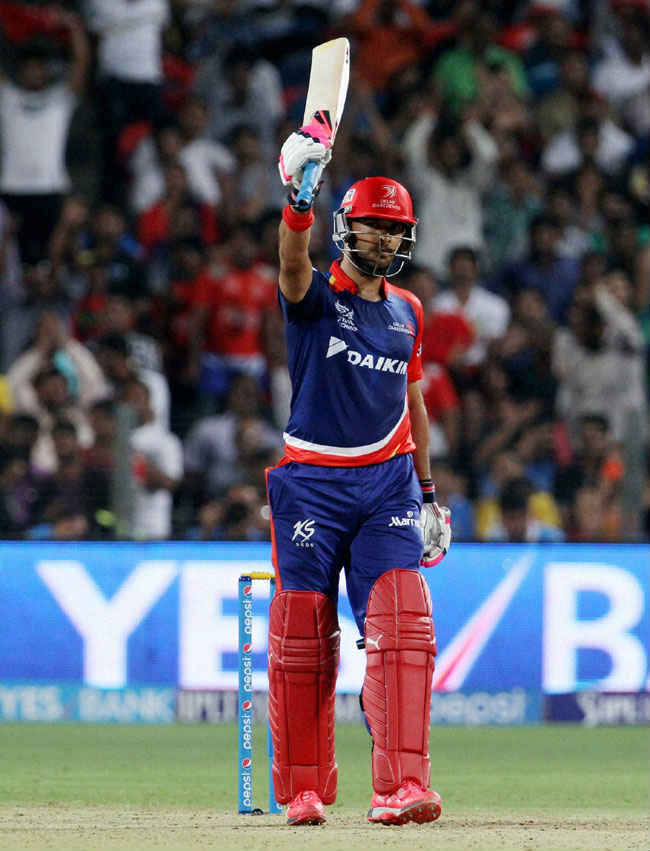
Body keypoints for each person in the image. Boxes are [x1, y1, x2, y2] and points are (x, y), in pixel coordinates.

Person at [266, 119, 453, 827]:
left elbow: (414, 402)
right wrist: (298, 201)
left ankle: (401, 786)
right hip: (312, 483)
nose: (384, 239)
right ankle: (304, 790)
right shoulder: (316, 298)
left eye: (395, 230)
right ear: (348, 228)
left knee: (404, 625)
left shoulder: (408, 312)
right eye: (374, 226)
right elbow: (291, 263)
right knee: (303, 637)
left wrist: (428, 494)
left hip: (388, 485)